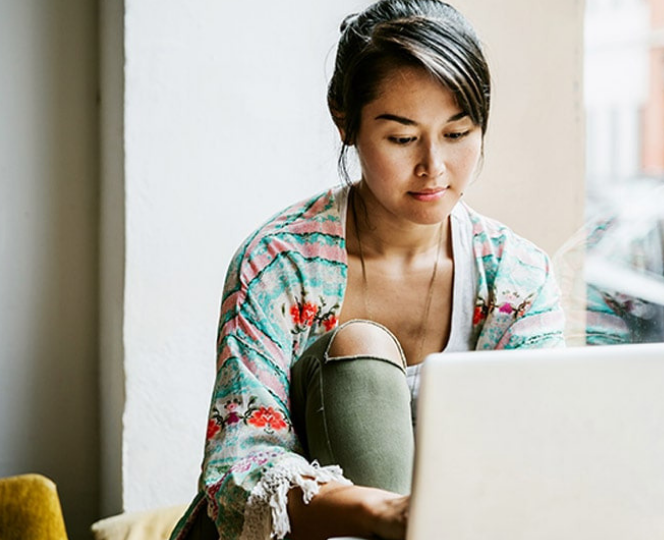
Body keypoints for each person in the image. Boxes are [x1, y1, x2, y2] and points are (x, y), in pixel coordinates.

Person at [169, 2, 565, 539]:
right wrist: (381, 513)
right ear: (344, 122)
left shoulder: (518, 278)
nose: (434, 167)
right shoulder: (279, 264)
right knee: (360, 350)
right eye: (402, 138)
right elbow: (237, 472)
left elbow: (533, 453)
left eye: (457, 133)